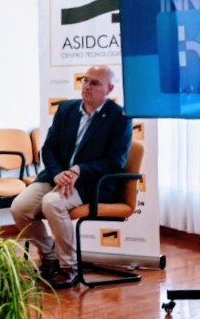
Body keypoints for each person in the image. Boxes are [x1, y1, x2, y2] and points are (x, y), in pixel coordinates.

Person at [11, 64, 133, 290]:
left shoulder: (120, 117)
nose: (86, 86)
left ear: (109, 89)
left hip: (91, 183)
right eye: (85, 80)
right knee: (20, 207)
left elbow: (115, 161)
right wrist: (58, 173)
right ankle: (49, 257)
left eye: (94, 83)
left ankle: (70, 267)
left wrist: (79, 170)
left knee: (52, 202)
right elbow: (48, 149)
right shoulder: (66, 109)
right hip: (56, 177)